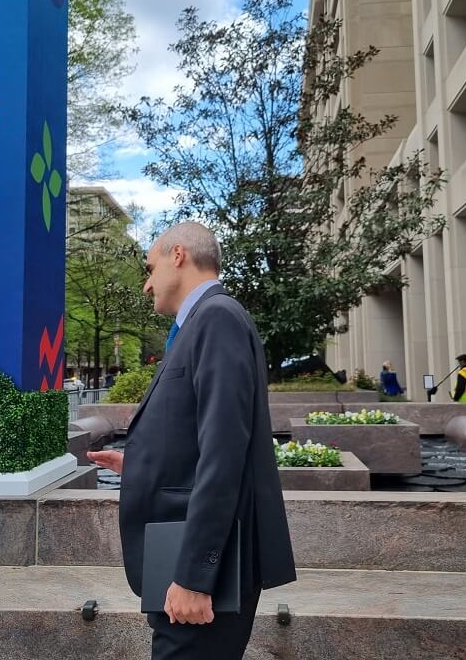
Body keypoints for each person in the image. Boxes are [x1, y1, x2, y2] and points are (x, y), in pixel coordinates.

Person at [88, 222, 296, 660]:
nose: (147, 285)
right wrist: (140, 465)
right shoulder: (203, 322)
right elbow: (200, 438)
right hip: (187, 563)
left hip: (200, 576)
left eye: (150, 268)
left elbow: (225, 454)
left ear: (178, 255)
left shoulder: (216, 318)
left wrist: (195, 577)